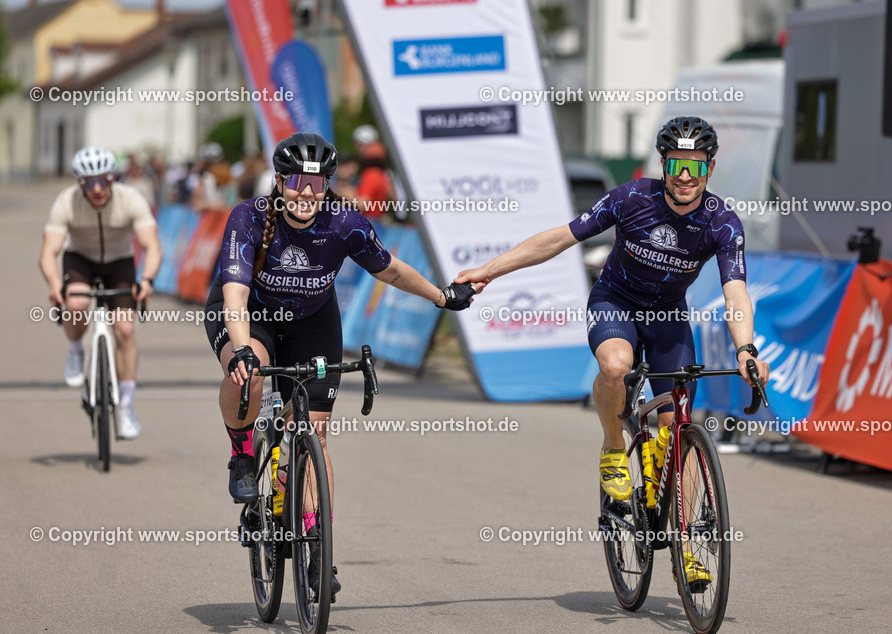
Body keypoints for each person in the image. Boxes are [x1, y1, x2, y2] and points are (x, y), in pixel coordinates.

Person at [456, 116, 770, 585]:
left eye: (696, 165)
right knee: (616, 367)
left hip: (668, 316)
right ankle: (612, 448)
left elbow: (736, 293)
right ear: (664, 164)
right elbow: (558, 240)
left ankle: (687, 547)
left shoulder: (721, 221)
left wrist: (746, 349)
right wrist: (489, 271)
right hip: (615, 303)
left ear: (710, 168)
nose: (686, 175)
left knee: (678, 428)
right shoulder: (631, 199)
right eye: (678, 164)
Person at [204, 132, 474, 596]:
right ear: (279, 180)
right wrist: (242, 348)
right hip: (253, 316)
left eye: (317, 182)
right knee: (248, 372)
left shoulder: (344, 222)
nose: (306, 193)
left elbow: (389, 268)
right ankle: (242, 452)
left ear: (328, 184)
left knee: (316, 433)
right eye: (296, 182)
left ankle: (316, 544)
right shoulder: (250, 217)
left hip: (313, 321)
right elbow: (235, 292)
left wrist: (441, 297)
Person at [40, 146, 162, 439]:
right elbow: (49, 251)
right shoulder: (66, 202)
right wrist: (55, 285)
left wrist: (146, 280)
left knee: (125, 330)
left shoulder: (130, 198)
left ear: (112, 178)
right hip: (80, 260)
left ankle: (127, 405)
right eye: (88, 182)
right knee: (77, 303)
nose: (96, 189)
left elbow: (152, 247)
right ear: (79, 183)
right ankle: (75, 350)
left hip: (119, 262)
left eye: (103, 180)